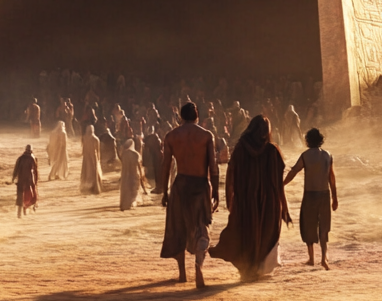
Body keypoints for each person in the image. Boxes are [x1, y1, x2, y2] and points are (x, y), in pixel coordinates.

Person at [211, 115, 291, 282]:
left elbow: (230, 173)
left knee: (245, 232)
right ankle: (257, 269)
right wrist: (284, 207)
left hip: (245, 199)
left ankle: (247, 269)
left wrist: (229, 198)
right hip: (269, 201)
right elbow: (278, 184)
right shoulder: (272, 150)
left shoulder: (241, 148)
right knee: (266, 235)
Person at [159, 102, 220, 289]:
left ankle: (182, 274)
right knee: (202, 228)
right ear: (197, 116)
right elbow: (213, 166)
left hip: (181, 184)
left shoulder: (171, 136)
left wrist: (164, 190)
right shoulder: (206, 136)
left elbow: (166, 166)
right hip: (201, 184)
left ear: (180, 117)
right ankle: (198, 266)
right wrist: (216, 190)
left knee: (178, 228)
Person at [283, 127, 338, 269]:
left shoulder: (305, 156)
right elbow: (331, 178)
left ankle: (312, 258)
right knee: (324, 227)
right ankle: (324, 258)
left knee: (308, 226)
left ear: (307, 140)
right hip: (324, 195)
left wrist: (281, 184)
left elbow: (294, 171)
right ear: (320, 140)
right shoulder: (327, 155)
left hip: (310, 195)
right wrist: (335, 197)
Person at [119, 138, 147, 211]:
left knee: (127, 189)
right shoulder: (136, 154)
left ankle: (126, 203)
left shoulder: (124, 154)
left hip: (126, 175)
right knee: (134, 190)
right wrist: (141, 175)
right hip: (134, 174)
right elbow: (139, 166)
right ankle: (132, 202)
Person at [13, 144, 39, 217]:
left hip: (21, 179)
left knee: (21, 196)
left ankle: (20, 213)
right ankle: (25, 211)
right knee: (31, 195)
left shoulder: (21, 158)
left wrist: (14, 177)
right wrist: (36, 180)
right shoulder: (32, 157)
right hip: (29, 180)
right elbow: (35, 170)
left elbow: (16, 169)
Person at [80, 124, 104, 194]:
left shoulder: (86, 138)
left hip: (89, 157)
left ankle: (90, 186)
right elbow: (98, 150)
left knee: (88, 171)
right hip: (92, 157)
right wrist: (98, 159)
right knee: (92, 171)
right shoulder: (95, 139)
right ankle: (93, 186)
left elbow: (84, 148)